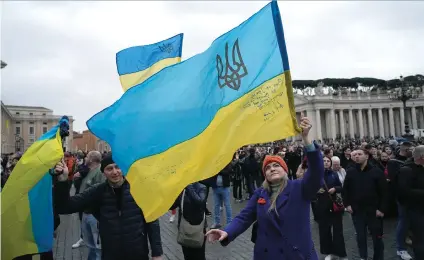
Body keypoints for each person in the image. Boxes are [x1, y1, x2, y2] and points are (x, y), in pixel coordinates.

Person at [206, 116, 324, 260]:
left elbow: (316, 173)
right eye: (268, 168)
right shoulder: (260, 193)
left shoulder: (300, 187)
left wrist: (306, 140)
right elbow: (244, 217)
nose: (272, 169)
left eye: (276, 166)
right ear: (265, 175)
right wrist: (227, 232)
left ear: (285, 170)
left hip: (296, 254)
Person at [53, 153, 163, 260]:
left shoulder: (138, 189)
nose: (115, 172)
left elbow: (152, 221)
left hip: (138, 253)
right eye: (109, 169)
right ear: (103, 173)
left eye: (117, 167)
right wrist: (62, 181)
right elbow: (65, 207)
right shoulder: (98, 191)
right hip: (111, 254)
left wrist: (157, 253)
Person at [343, 148, 388, 260]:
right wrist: (347, 205)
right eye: (356, 154)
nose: (357, 156)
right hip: (357, 211)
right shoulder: (351, 171)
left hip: (374, 211)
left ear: (367, 156)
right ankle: (363, 257)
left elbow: (385, 192)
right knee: (360, 237)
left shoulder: (377, 171)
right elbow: (345, 190)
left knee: (377, 238)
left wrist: (382, 209)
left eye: (360, 154)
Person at [316, 156, 347, 260]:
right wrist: (316, 191)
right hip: (322, 206)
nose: (325, 163)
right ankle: (328, 252)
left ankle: (340, 252)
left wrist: (335, 189)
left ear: (330, 163)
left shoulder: (334, 174)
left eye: (327, 161)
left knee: (338, 231)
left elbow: (340, 187)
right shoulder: (316, 175)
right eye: (323, 161)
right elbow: (310, 190)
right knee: (325, 231)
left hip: (334, 206)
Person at [397, 145, 424, 260]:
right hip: (415, 209)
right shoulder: (406, 170)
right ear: (422, 157)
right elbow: (403, 192)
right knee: (420, 238)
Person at [170, 182, 207, 260]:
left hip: (198, 231)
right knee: (187, 256)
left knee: (199, 257)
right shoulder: (182, 189)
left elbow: (199, 202)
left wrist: (189, 187)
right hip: (185, 231)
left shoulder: (201, 187)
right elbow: (172, 206)